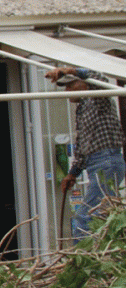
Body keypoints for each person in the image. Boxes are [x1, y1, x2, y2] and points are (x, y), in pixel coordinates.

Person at [45, 67, 125, 243]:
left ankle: (82, 260)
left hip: (107, 160)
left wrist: (71, 70)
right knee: (100, 215)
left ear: (84, 85)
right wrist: (73, 173)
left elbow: (100, 79)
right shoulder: (81, 110)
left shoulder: (99, 101)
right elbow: (82, 147)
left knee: (85, 217)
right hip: (97, 162)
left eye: (70, 86)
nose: (66, 92)